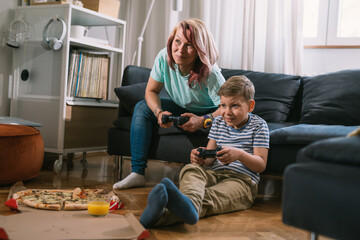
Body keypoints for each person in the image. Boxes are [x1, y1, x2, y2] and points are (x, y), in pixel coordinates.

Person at [139, 75, 270, 228]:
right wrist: (200, 157)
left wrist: (239, 155)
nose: (227, 112)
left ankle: (159, 217)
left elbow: (260, 165)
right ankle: (187, 206)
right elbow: (209, 160)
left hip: (241, 181)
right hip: (213, 174)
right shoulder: (219, 122)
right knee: (191, 168)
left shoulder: (259, 126)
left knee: (210, 198)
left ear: (250, 106)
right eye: (223, 105)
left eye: (234, 106)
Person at [113, 18, 226, 190]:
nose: (180, 50)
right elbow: (151, 91)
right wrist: (159, 112)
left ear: (199, 50)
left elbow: (226, 108)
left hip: (210, 111)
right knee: (142, 107)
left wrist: (202, 120)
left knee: (225, 121)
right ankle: (137, 173)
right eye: (177, 41)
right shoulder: (164, 58)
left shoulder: (210, 73)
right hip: (181, 107)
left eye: (189, 45)